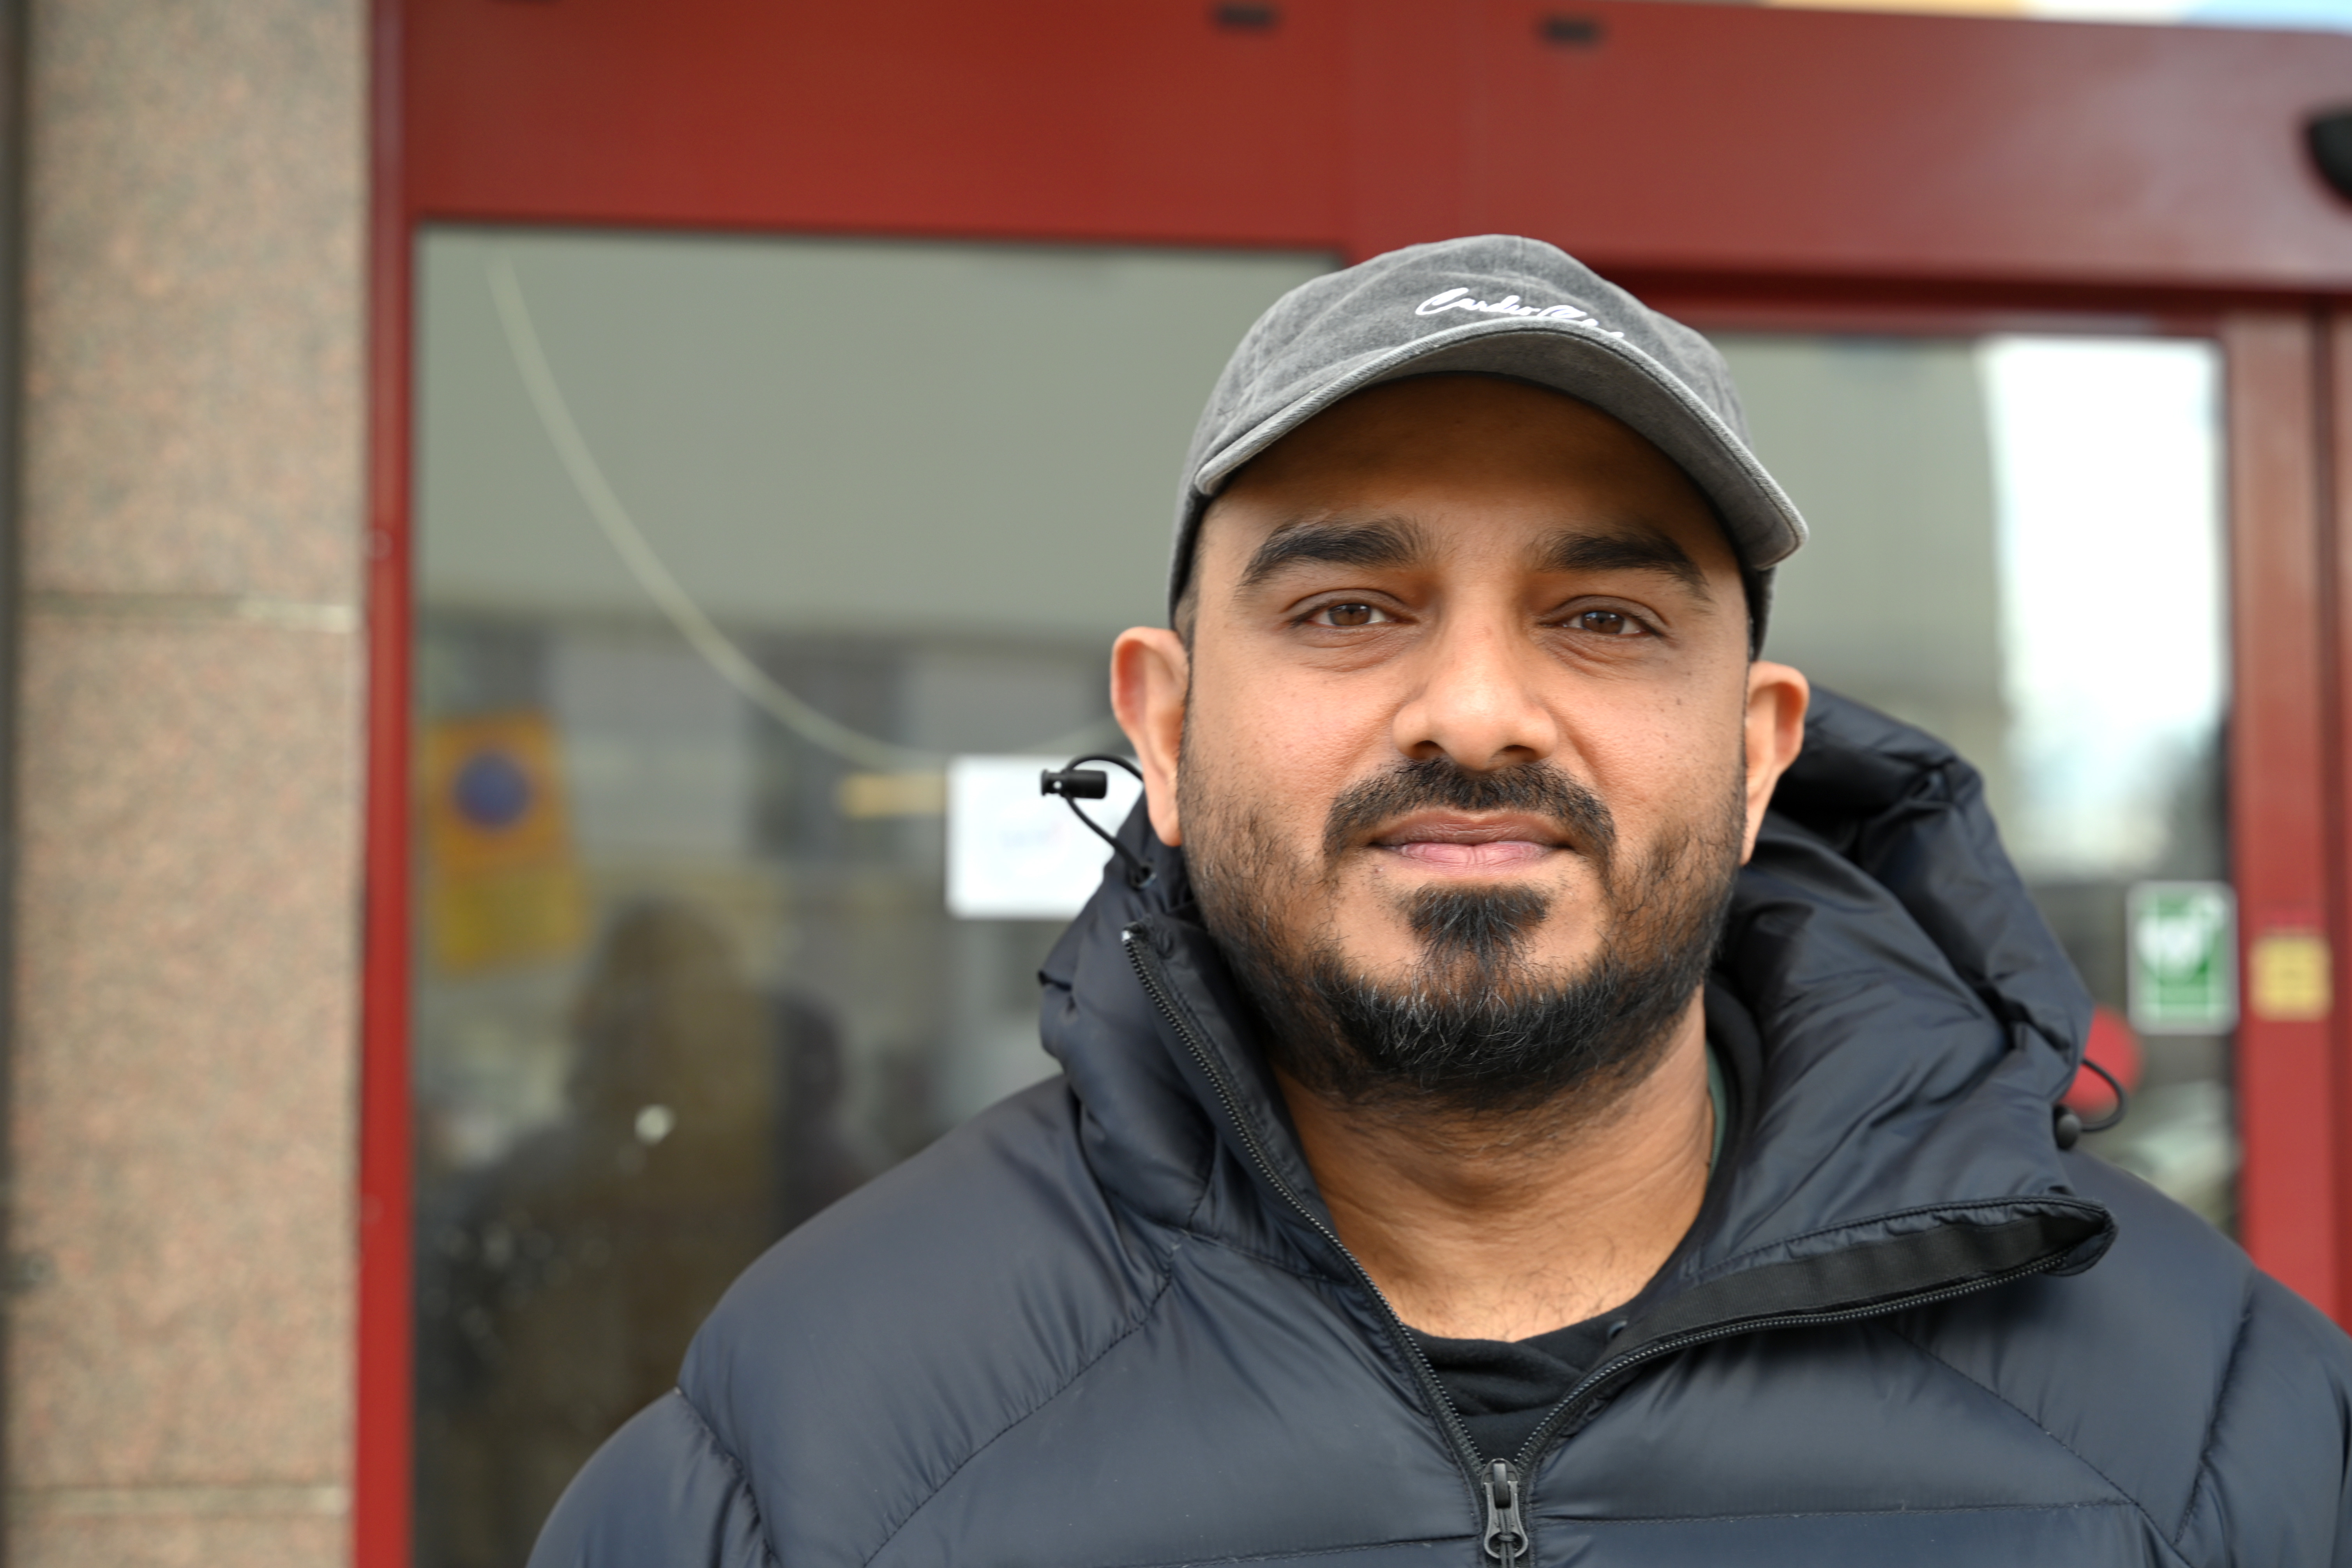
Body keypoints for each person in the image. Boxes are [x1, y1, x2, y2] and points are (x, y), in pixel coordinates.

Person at [527, 236, 2352, 1567]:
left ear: (1755, 753)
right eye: (1348, 609)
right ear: (1163, 730)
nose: (1476, 710)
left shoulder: (2217, 1432)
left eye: (1603, 617)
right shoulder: (809, 1453)